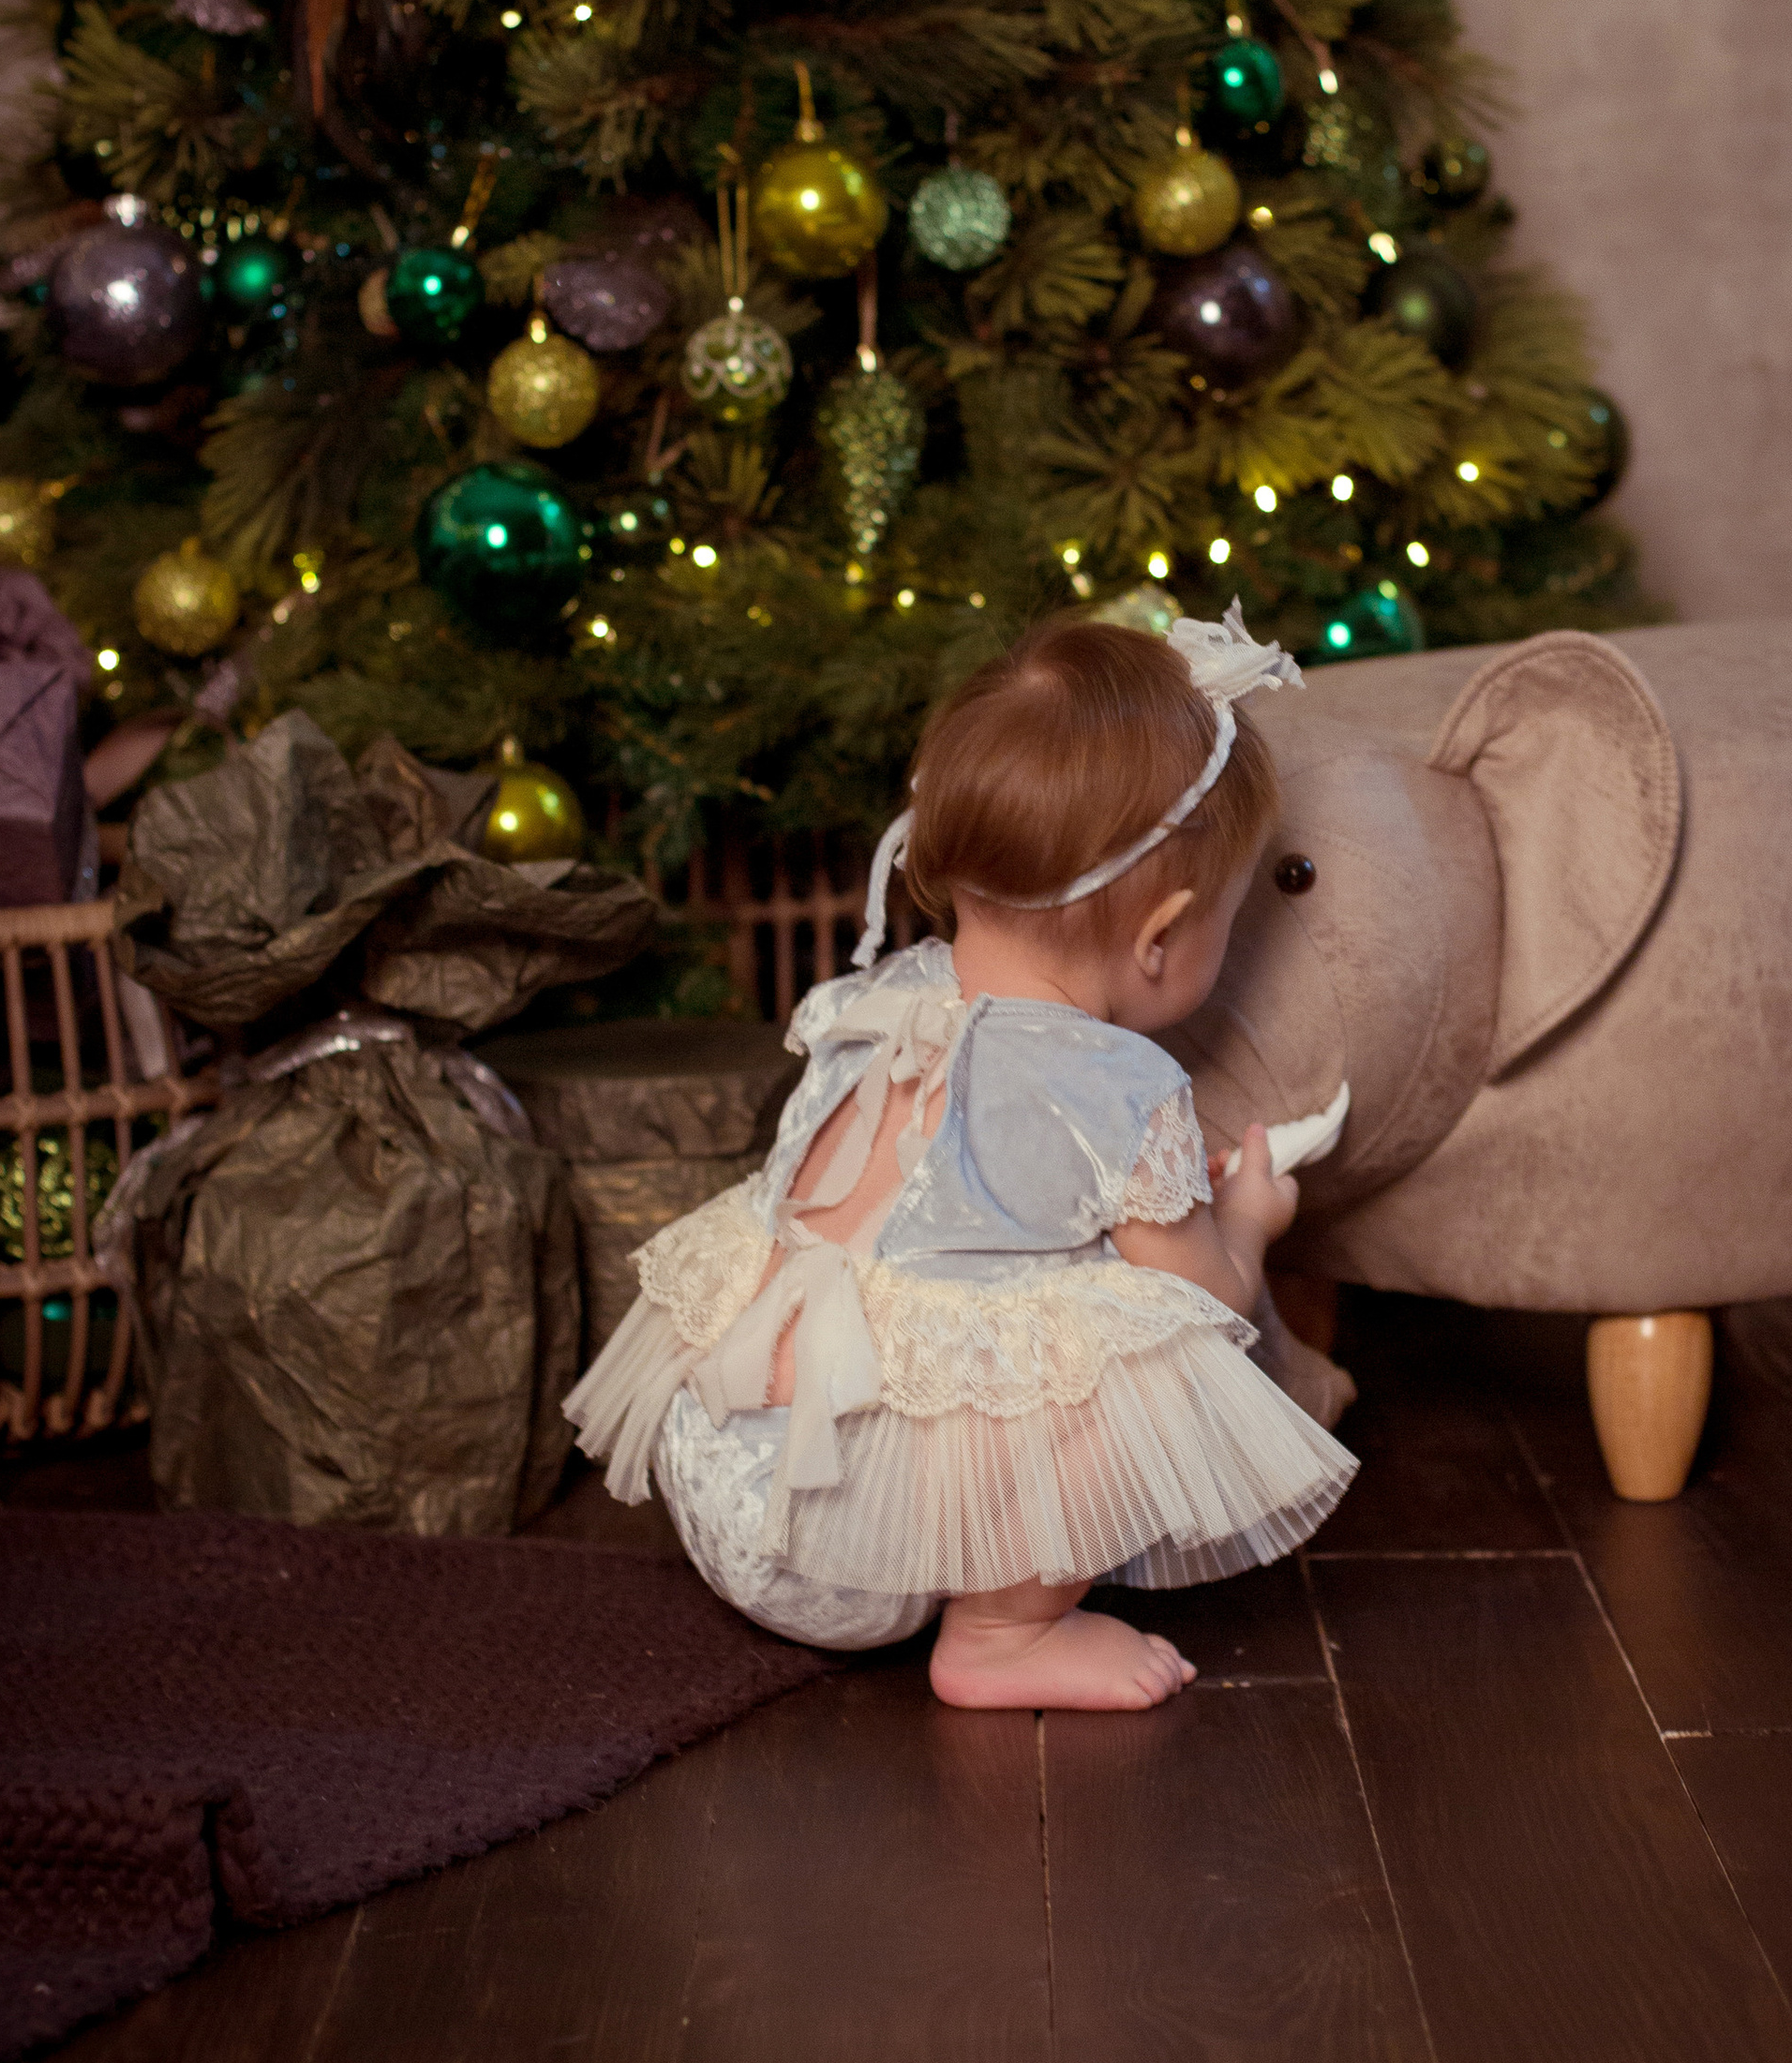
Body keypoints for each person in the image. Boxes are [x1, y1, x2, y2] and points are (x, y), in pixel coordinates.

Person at [566, 604, 1357, 1710]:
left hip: (712, 1469)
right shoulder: (1121, 1085)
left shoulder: (881, 995)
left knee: (1000, 1289)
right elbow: (1207, 1294)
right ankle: (1001, 1634)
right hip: (858, 1542)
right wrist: (1250, 1221)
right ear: (1162, 935)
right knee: (1158, 1347)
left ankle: (977, 1610)